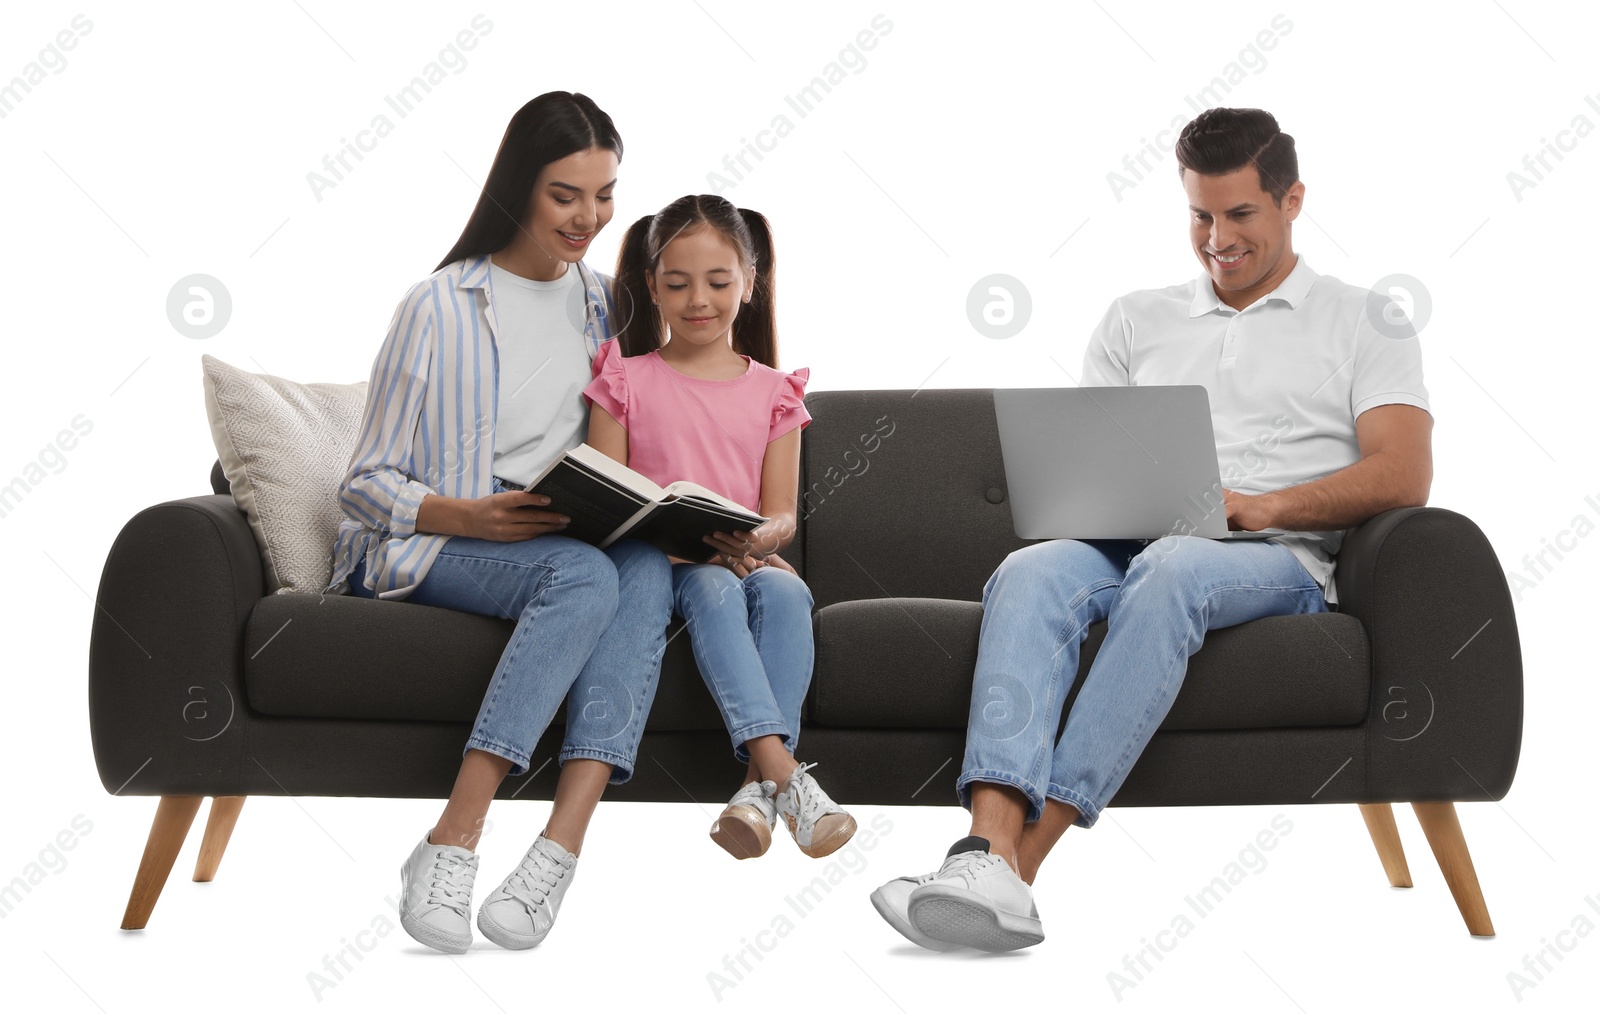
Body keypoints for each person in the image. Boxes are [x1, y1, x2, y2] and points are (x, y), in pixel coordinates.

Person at [872, 107, 1433, 951]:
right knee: (1030, 571)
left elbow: (1405, 474)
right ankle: (980, 852)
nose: (1218, 239)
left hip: (1275, 558)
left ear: (1292, 202)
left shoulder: (1365, 319)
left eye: (1240, 214)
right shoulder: (1137, 317)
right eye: (1200, 216)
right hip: (1128, 540)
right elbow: (1094, 463)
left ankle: (1021, 867)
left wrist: (1261, 505)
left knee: (1174, 564)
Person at [328, 92, 674, 954]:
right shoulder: (439, 306)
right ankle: (454, 838)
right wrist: (469, 516)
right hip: (435, 540)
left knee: (640, 570)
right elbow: (364, 485)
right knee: (583, 575)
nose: (590, 218)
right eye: (567, 195)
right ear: (517, 186)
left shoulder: (606, 306)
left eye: (605, 195)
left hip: (559, 535)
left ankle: (556, 852)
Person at [584, 194, 856, 861]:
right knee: (711, 589)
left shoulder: (775, 392)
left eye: (717, 282)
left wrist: (763, 540)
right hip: (664, 572)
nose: (697, 299)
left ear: (751, 283)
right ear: (652, 287)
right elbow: (603, 498)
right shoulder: (624, 379)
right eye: (677, 284)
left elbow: (781, 512)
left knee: (789, 592)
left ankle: (753, 794)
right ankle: (785, 774)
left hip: (744, 560)